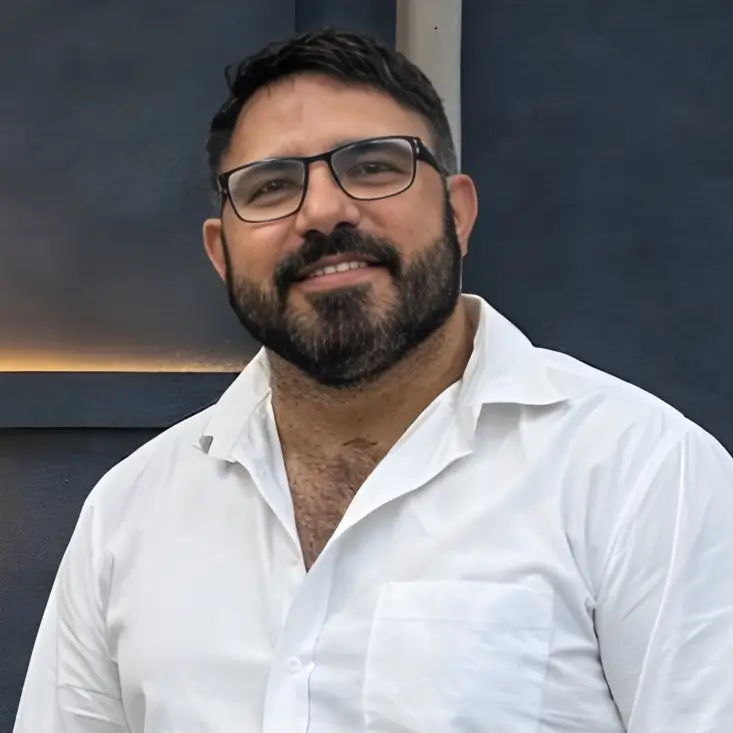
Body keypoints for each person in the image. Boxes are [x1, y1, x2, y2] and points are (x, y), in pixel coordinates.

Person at [13, 27, 733, 733]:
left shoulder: (642, 473)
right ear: (221, 254)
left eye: (374, 167)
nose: (324, 211)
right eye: (271, 185)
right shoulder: (130, 512)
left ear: (457, 213)